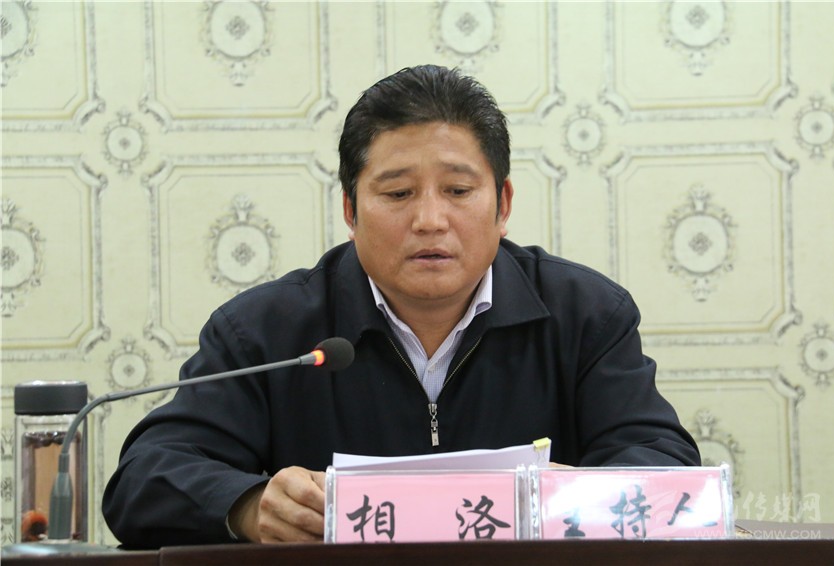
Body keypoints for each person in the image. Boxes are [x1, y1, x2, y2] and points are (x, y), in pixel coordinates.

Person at [103, 65, 700, 548]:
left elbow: (666, 469)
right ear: (350, 209)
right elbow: (146, 477)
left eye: (458, 191)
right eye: (397, 193)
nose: (430, 220)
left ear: (503, 204)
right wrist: (249, 506)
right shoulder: (264, 331)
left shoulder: (585, 314)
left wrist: (576, 497)